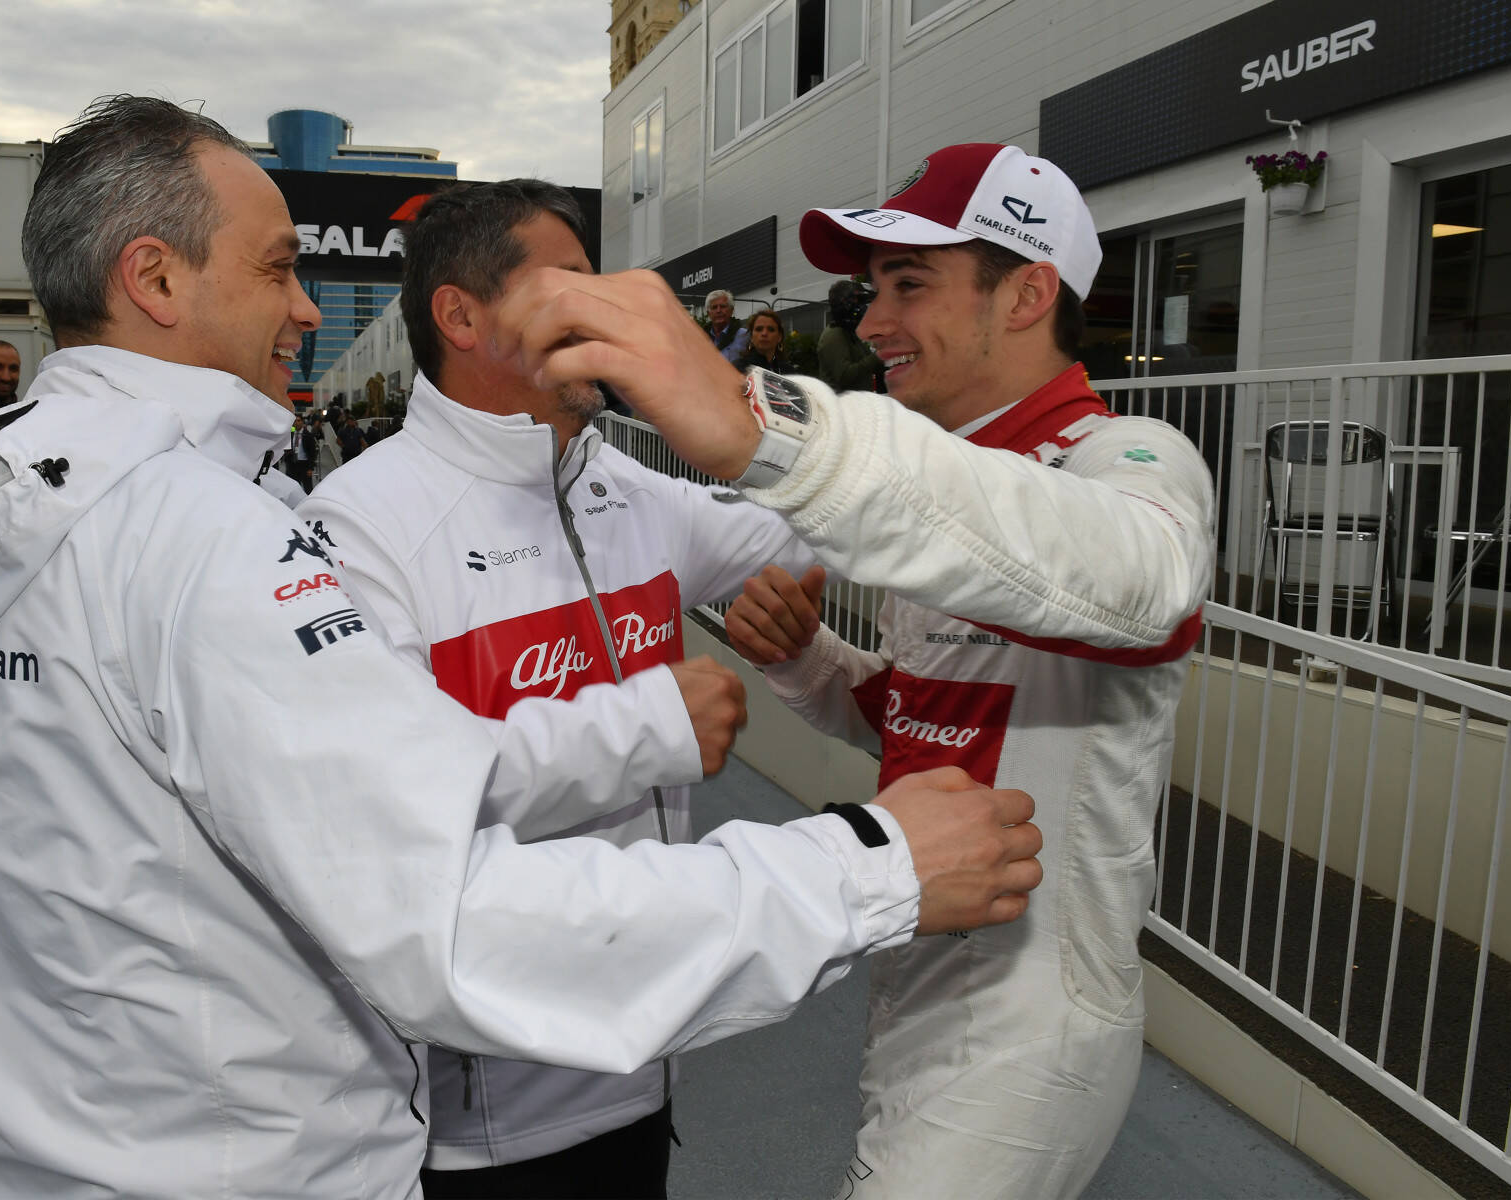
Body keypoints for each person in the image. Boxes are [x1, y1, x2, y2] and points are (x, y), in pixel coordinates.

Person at [0, 96, 1041, 1198]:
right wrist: (868, 866)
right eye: (278, 268)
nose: (303, 307)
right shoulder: (217, 534)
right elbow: (445, 919)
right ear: (155, 280)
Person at [489, 142, 1215, 1200]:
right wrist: (807, 660)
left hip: (1025, 1016)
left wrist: (771, 429)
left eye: (908, 284)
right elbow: (922, 720)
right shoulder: (959, 474)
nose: (872, 324)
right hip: (921, 960)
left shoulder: (1129, 458)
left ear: (1027, 294)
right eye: (873, 289)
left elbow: (1148, 587)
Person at [301, 179, 819, 1199]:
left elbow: (817, 534)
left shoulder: (617, 481)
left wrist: (739, 414)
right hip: (481, 1123)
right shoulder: (357, 525)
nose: (611, 308)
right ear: (461, 316)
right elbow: (388, 809)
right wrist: (650, 725)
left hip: (643, 1061)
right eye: (572, 284)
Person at [816, 279, 882, 392]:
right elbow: (844, 376)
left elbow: (870, 366)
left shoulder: (849, 332)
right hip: (841, 402)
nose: (862, 307)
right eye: (857, 302)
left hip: (858, 400)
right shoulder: (834, 334)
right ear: (844, 304)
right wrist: (877, 356)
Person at [733, 308, 794, 374]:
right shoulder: (737, 369)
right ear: (751, 337)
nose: (764, 333)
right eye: (759, 329)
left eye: (771, 329)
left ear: (779, 337)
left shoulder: (789, 372)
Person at [701, 288, 748, 361]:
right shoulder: (701, 338)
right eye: (714, 307)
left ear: (731, 310)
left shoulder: (745, 335)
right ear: (708, 313)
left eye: (723, 306)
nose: (718, 310)